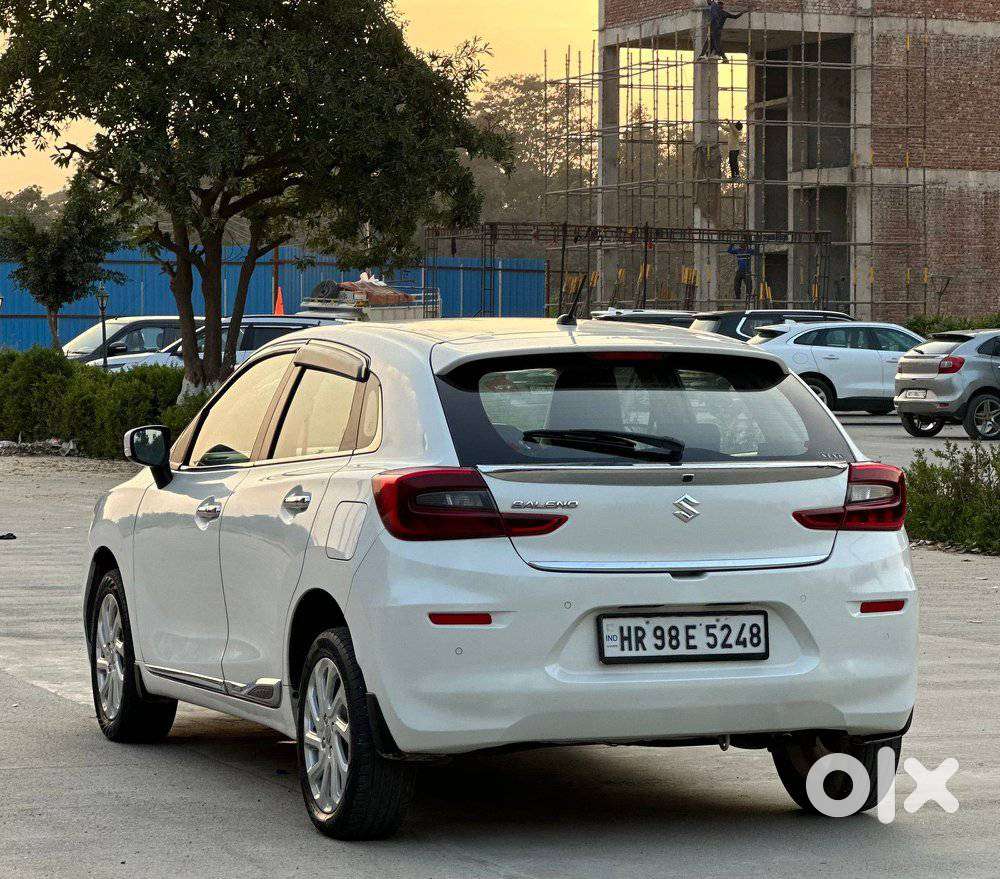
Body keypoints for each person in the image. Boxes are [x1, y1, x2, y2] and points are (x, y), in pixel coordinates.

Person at [728, 236, 754, 305]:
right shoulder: (738, 250)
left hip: (746, 270)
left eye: (743, 243)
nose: (741, 244)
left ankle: (749, 296)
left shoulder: (748, 251)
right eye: (740, 243)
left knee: (748, 284)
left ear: (746, 244)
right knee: (736, 283)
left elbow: (756, 251)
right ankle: (738, 296)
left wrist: (751, 243)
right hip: (740, 270)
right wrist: (732, 244)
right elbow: (729, 251)